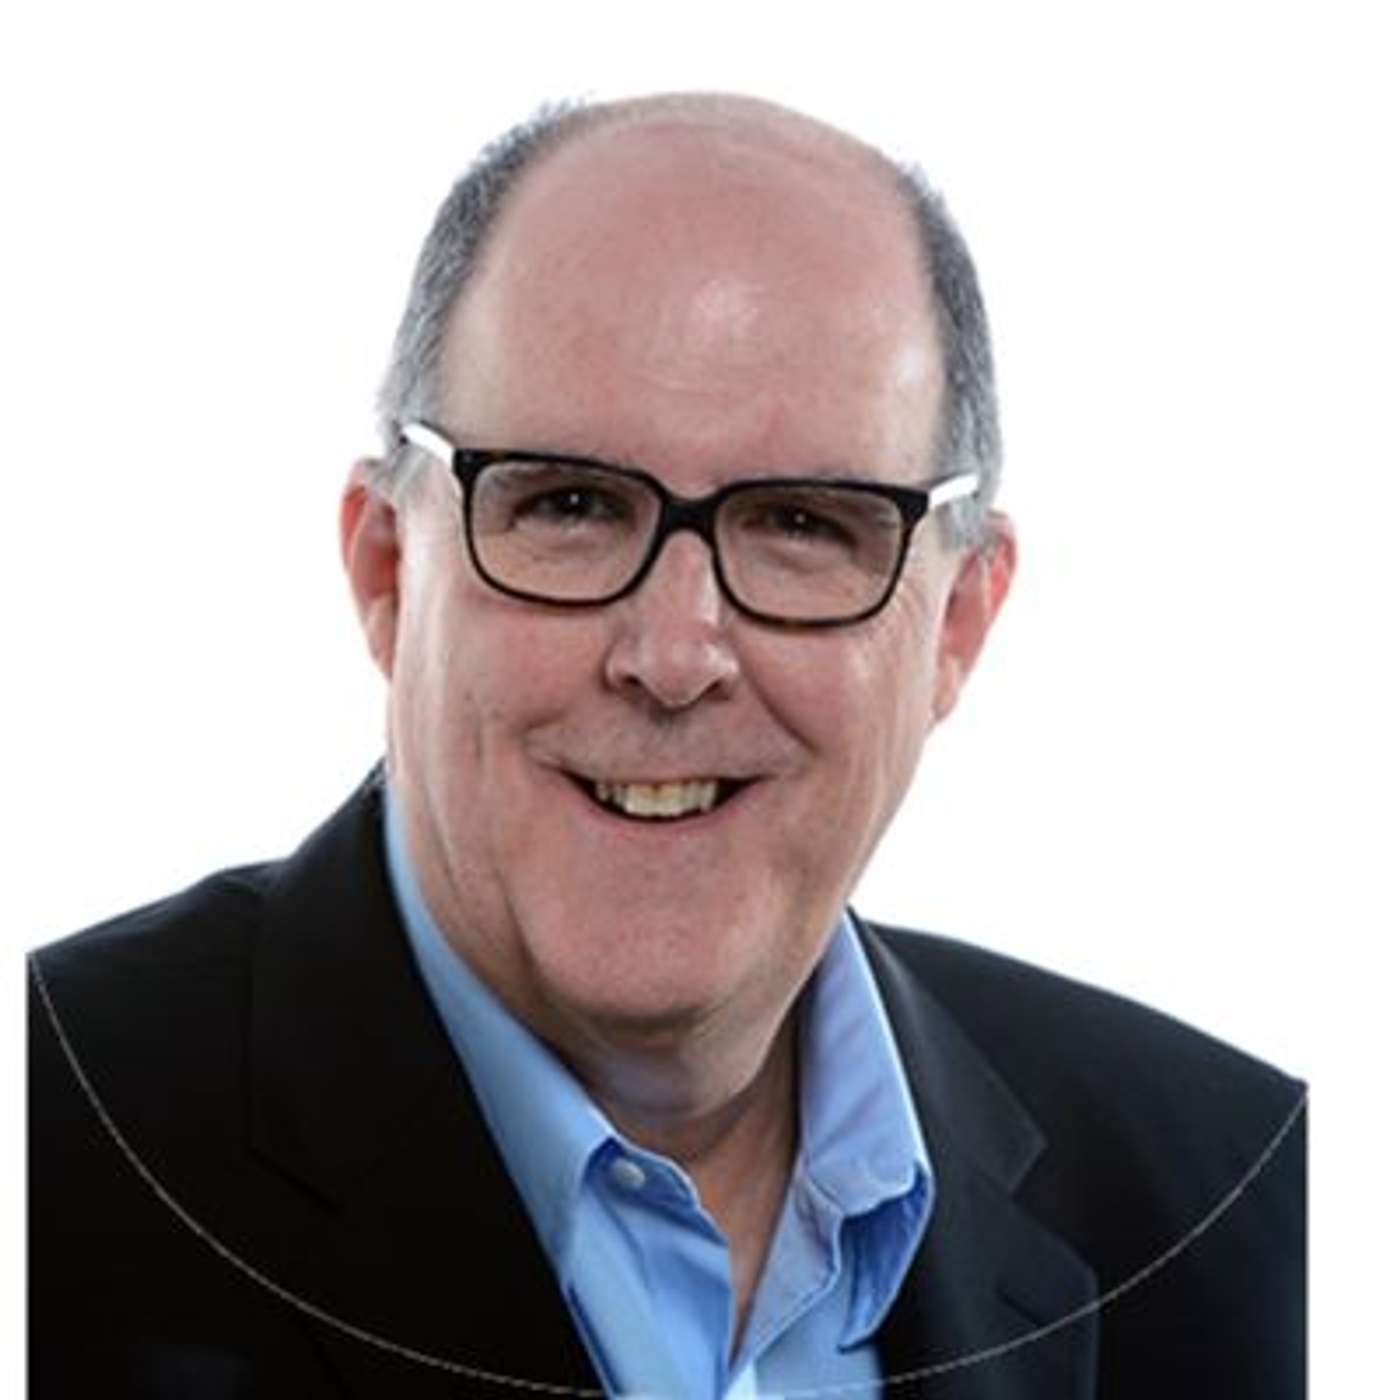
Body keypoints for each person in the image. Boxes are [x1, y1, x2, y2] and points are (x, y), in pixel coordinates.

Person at [29, 93, 1304, 1398]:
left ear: (959, 622)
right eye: (570, 505)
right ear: (388, 570)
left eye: (803, 525)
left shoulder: (1254, 1209)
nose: (675, 654)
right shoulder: (49, 1160)